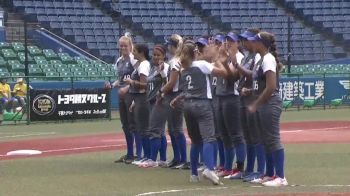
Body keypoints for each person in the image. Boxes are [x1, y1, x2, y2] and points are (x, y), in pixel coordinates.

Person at [171, 41, 229, 185]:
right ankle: (209, 168)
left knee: (195, 141)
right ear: (195, 53)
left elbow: (186, 90)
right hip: (202, 103)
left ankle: (193, 174)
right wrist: (216, 59)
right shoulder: (201, 65)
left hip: (188, 105)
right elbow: (224, 73)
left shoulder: (183, 69)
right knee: (209, 138)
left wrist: (177, 98)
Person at [246, 32, 288, 187]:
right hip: (263, 102)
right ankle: (270, 174)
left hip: (270, 103)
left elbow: (271, 87)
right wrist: (250, 92)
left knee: (272, 139)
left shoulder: (268, 59)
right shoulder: (261, 59)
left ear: (261, 43)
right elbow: (261, 85)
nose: (252, 44)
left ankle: (281, 177)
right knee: (265, 140)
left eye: (255, 41)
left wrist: (256, 103)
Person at [214, 32, 246, 180]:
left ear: (238, 43)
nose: (228, 43)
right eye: (227, 40)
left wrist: (222, 61)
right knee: (224, 134)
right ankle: (227, 167)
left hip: (232, 96)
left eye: (231, 41)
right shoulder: (223, 56)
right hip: (221, 96)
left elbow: (231, 77)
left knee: (235, 134)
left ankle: (239, 168)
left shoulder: (238, 57)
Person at [235, 28, 266, 182]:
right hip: (244, 99)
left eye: (247, 40)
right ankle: (250, 169)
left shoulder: (259, 57)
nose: (244, 43)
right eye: (243, 40)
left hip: (253, 99)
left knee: (256, 137)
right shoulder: (248, 56)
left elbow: (253, 76)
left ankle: (260, 171)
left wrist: (237, 66)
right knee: (248, 137)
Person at [109, 34, 140, 164]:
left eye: (125, 45)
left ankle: (138, 154)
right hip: (121, 96)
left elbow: (140, 77)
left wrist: (127, 88)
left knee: (134, 125)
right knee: (125, 125)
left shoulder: (133, 60)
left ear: (130, 46)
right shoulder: (119, 61)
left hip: (131, 95)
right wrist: (112, 85)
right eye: (121, 45)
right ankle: (130, 153)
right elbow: (120, 79)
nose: (123, 48)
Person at [160, 34, 189, 169]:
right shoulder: (178, 60)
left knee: (176, 129)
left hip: (175, 95)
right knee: (172, 129)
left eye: (170, 45)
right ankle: (178, 158)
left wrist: (161, 91)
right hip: (175, 95)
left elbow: (172, 83)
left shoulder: (175, 61)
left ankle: (182, 159)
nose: (168, 47)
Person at [139, 45, 170, 168]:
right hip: (151, 101)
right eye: (154, 54)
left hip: (160, 101)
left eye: (159, 55)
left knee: (154, 130)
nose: (156, 57)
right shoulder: (153, 68)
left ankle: (152, 159)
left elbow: (167, 83)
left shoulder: (165, 67)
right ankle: (162, 159)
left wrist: (162, 72)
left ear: (164, 56)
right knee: (160, 132)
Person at [124, 44, 151, 166]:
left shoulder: (144, 65)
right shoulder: (140, 65)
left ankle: (148, 156)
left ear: (141, 53)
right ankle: (146, 156)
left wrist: (132, 82)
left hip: (143, 99)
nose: (133, 53)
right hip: (139, 99)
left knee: (144, 129)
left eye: (134, 51)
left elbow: (145, 85)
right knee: (141, 129)